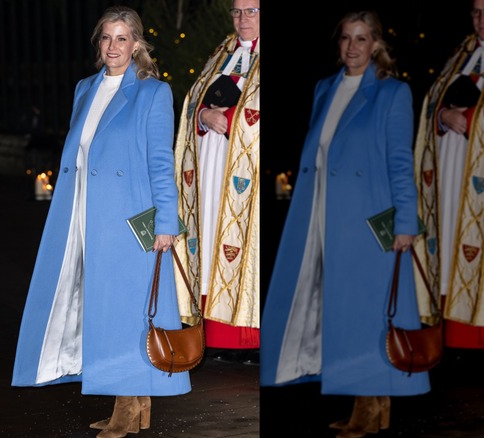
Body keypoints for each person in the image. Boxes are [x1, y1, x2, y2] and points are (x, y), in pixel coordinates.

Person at [11, 6, 190, 438]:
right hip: (83, 216)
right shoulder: (84, 88)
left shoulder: (153, 93)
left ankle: (128, 410)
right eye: (106, 38)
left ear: (137, 45)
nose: (113, 46)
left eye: (122, 38)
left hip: (131, 221)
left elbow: (160, 163)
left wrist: (166, 222)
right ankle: (133, 404)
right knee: (103, 307)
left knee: (127, 312)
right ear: (99, 44)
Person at [259, 10, 430, 438]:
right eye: (346, 39)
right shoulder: (325, 88)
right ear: (338, 44)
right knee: (345, 311)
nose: (352, 47)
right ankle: (372, 406)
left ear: (376, 45)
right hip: (323, 216)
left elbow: (399, 163)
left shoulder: (393, 93)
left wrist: (405, 224)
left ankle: (368, 409)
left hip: (371, 221)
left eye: (361, 39)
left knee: (367, 314)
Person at [173, 0, 260, 363]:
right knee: (210, 239)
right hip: (211, 166)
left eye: (252, 11)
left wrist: (233, 118)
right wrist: (205, 114)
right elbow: (194, 98)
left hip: (248, 172)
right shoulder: (222, 52)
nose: (242, 19)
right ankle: (216, 336)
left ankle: (253, 339)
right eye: (237, 12)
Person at [413, 0, 483, 349]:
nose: (481, 20)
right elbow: (432, 101)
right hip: (453, 176)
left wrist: (470, 121)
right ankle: (455, 338)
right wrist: (442, 118)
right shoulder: (463, 53)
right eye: (475, 12)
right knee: (454, 243)